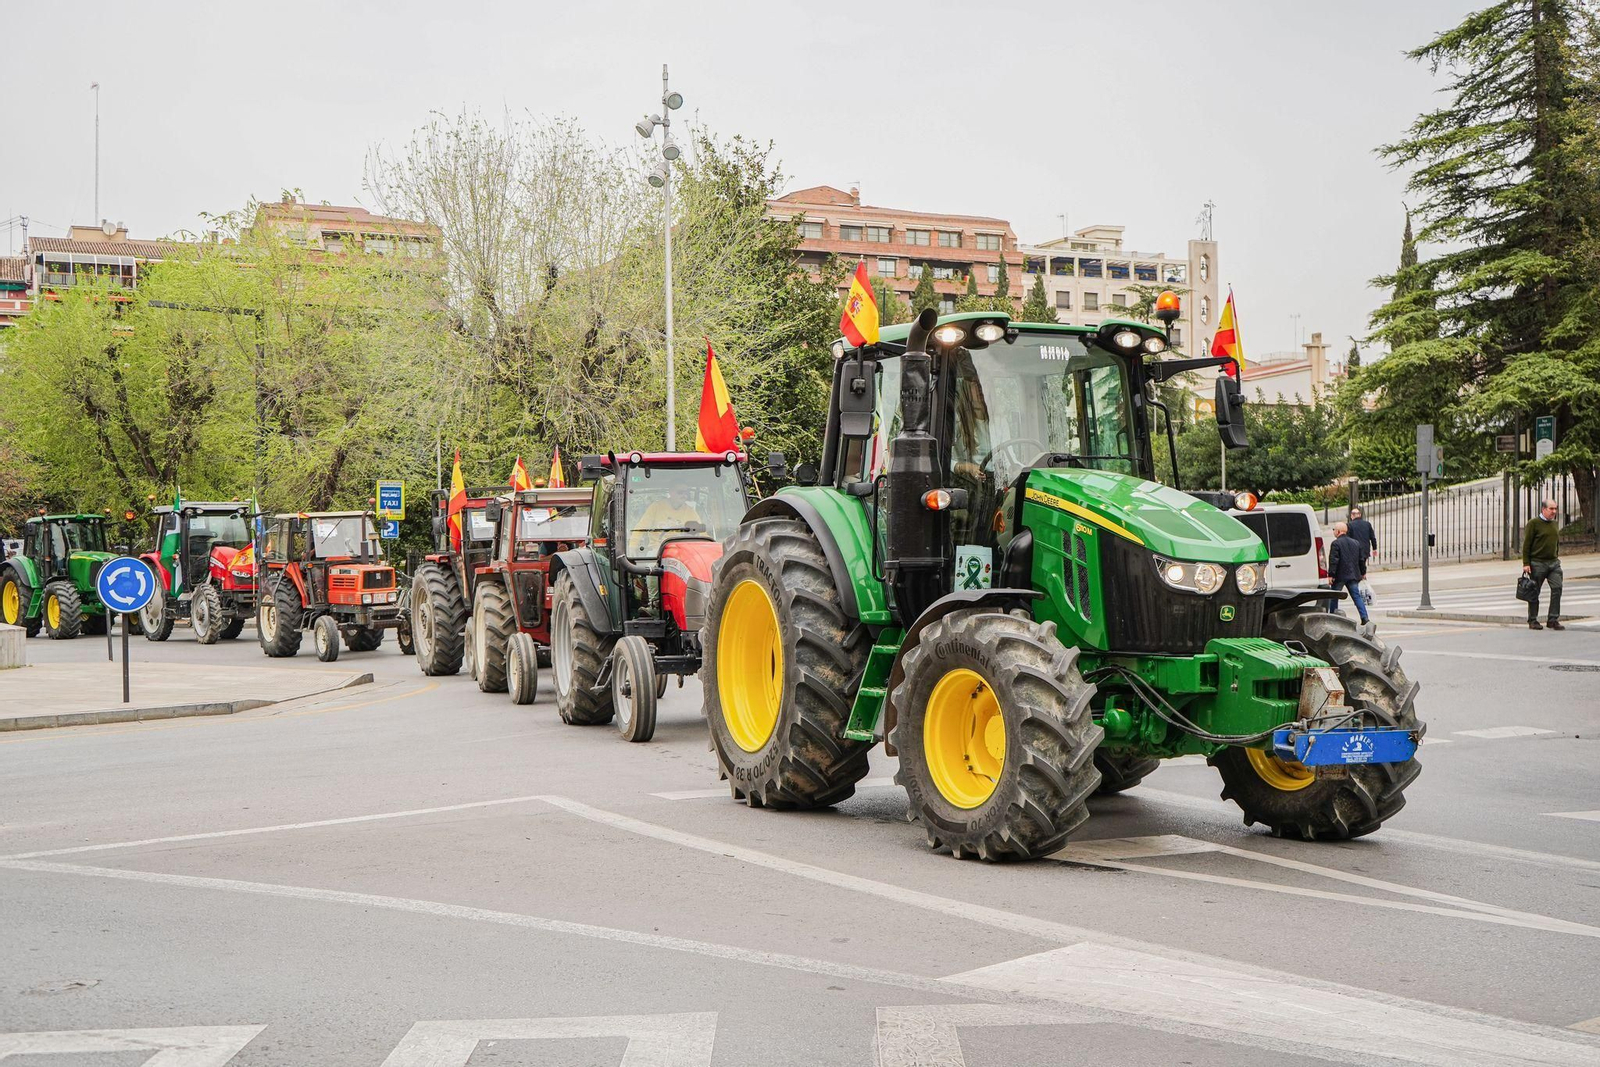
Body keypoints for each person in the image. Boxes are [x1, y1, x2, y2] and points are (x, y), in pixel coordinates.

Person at [1521, 498, 1564, 631]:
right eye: (1551, 509)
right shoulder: (1534, 523)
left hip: (1553, 563)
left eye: (1555, 509)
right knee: (1535, 592)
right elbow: (1527, 544)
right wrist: (1526, 563)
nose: (1554, 511)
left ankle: (1553, 619)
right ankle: (1533, 620)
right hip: (1537, 563)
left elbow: (1555, 542)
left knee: (1557, 588)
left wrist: (1556, 556)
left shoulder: (1554, 524)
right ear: (1543, 509)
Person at [630, 486, 703, 557]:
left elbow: (702, 532)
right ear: (671, 492)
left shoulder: (690, 512)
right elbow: (642, 526)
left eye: (686, 493)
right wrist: (632, 545)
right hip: (658, 550)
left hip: (682, 551)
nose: (684, 495)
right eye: (680, 492)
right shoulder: (656, 507)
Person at [1327, 521, 1369, 626]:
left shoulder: (1336, 543)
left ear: (1338, 531)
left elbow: (1334, 560)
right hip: (1353, 574)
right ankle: (1364, 617)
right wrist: (1363, 572)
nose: (1333, 532)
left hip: (1340, 575)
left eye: (1334, 530)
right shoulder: (1355, 543)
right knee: (1356, 597)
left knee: (1334, 596)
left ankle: (1333, 616)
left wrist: (1331, 574)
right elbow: (1361, 559)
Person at [1347, 505, 1377, 572]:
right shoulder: (1367, 524)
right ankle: (1363, 574)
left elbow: (1348, 538)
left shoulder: (1349, 525)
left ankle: (1359, 575)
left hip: (1354, 548)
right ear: (1360, 515)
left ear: (1352, 515)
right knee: (1363, 563)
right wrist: (1374, 548)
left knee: (1356, 564)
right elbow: (1372, 537)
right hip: (1365, 548)